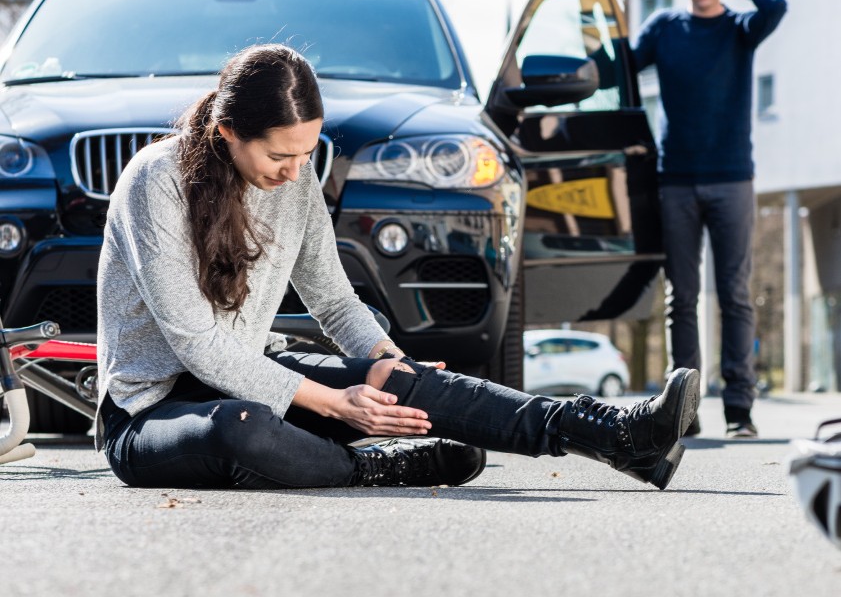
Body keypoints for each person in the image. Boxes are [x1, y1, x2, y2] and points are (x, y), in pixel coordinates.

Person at [95, 43, 700, 492]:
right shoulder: (156, 180)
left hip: (252, 373)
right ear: (228, 130)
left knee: (394, 378)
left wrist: (392, 362)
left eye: (308, 152)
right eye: (280, 154)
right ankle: (374, 467)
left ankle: (615, 435)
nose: (295, 170)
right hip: (151, 414)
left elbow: (335, 302)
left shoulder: (295, 178)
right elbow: (198, 345)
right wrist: (337, 404)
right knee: (240, 427)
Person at [632, 0, 787, 438]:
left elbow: (776, 5)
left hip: (732, 179)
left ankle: (740, 410)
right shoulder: (665, 28)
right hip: (676, 180)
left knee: (735, 296)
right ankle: (684, 409)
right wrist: (599, 4)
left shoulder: (741, 29)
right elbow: (621, 64)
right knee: (681, 299)